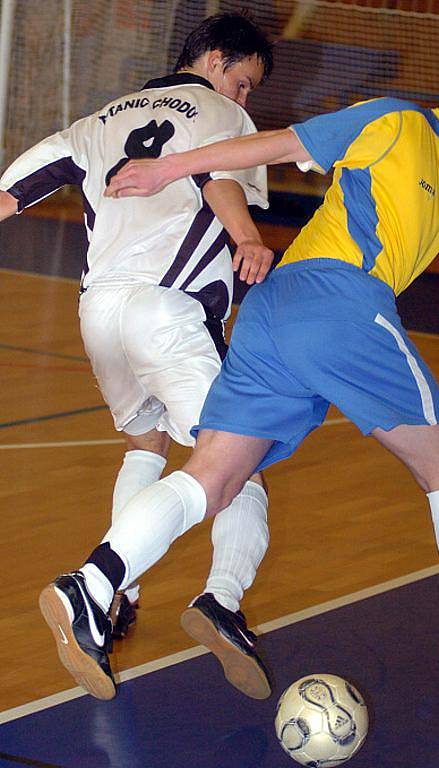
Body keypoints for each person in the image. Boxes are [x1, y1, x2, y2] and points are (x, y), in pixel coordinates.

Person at [47, 49, 439, 701]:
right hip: (340, 298)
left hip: (274, 316)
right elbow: (282, 143)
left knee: (213, 475)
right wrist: (172, 168)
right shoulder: (398, 124)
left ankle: (92, 584)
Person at [0, 12, 276, 700]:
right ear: (213, 58)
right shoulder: (221, 115)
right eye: (243, 83)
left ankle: (119, 599)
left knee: (148, 443)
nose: (244, 100)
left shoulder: (99, 118)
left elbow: (13, 191)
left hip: (99, 316)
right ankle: (221, 599)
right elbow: (218, 177)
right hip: (167, 310)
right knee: (241, 460)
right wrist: (247, 237)